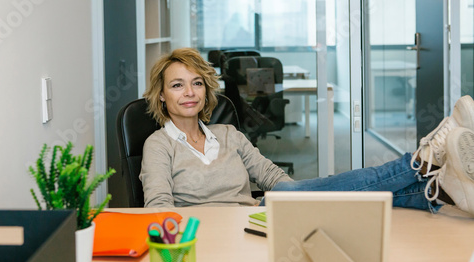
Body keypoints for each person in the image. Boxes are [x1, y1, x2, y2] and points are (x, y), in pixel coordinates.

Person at [140, 47, 474, 216]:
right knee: (303, 195)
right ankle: (422, 168)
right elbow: (158, 210)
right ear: (161, 95)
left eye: (197, 83)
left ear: (206, 90)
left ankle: (437, 188)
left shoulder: (227, 133)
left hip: (257, 219)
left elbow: (269, 175)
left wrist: (304, 198)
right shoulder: (159, 145)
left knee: (298, 193)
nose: (189, 92)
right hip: (209, 234)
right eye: (177, 85)